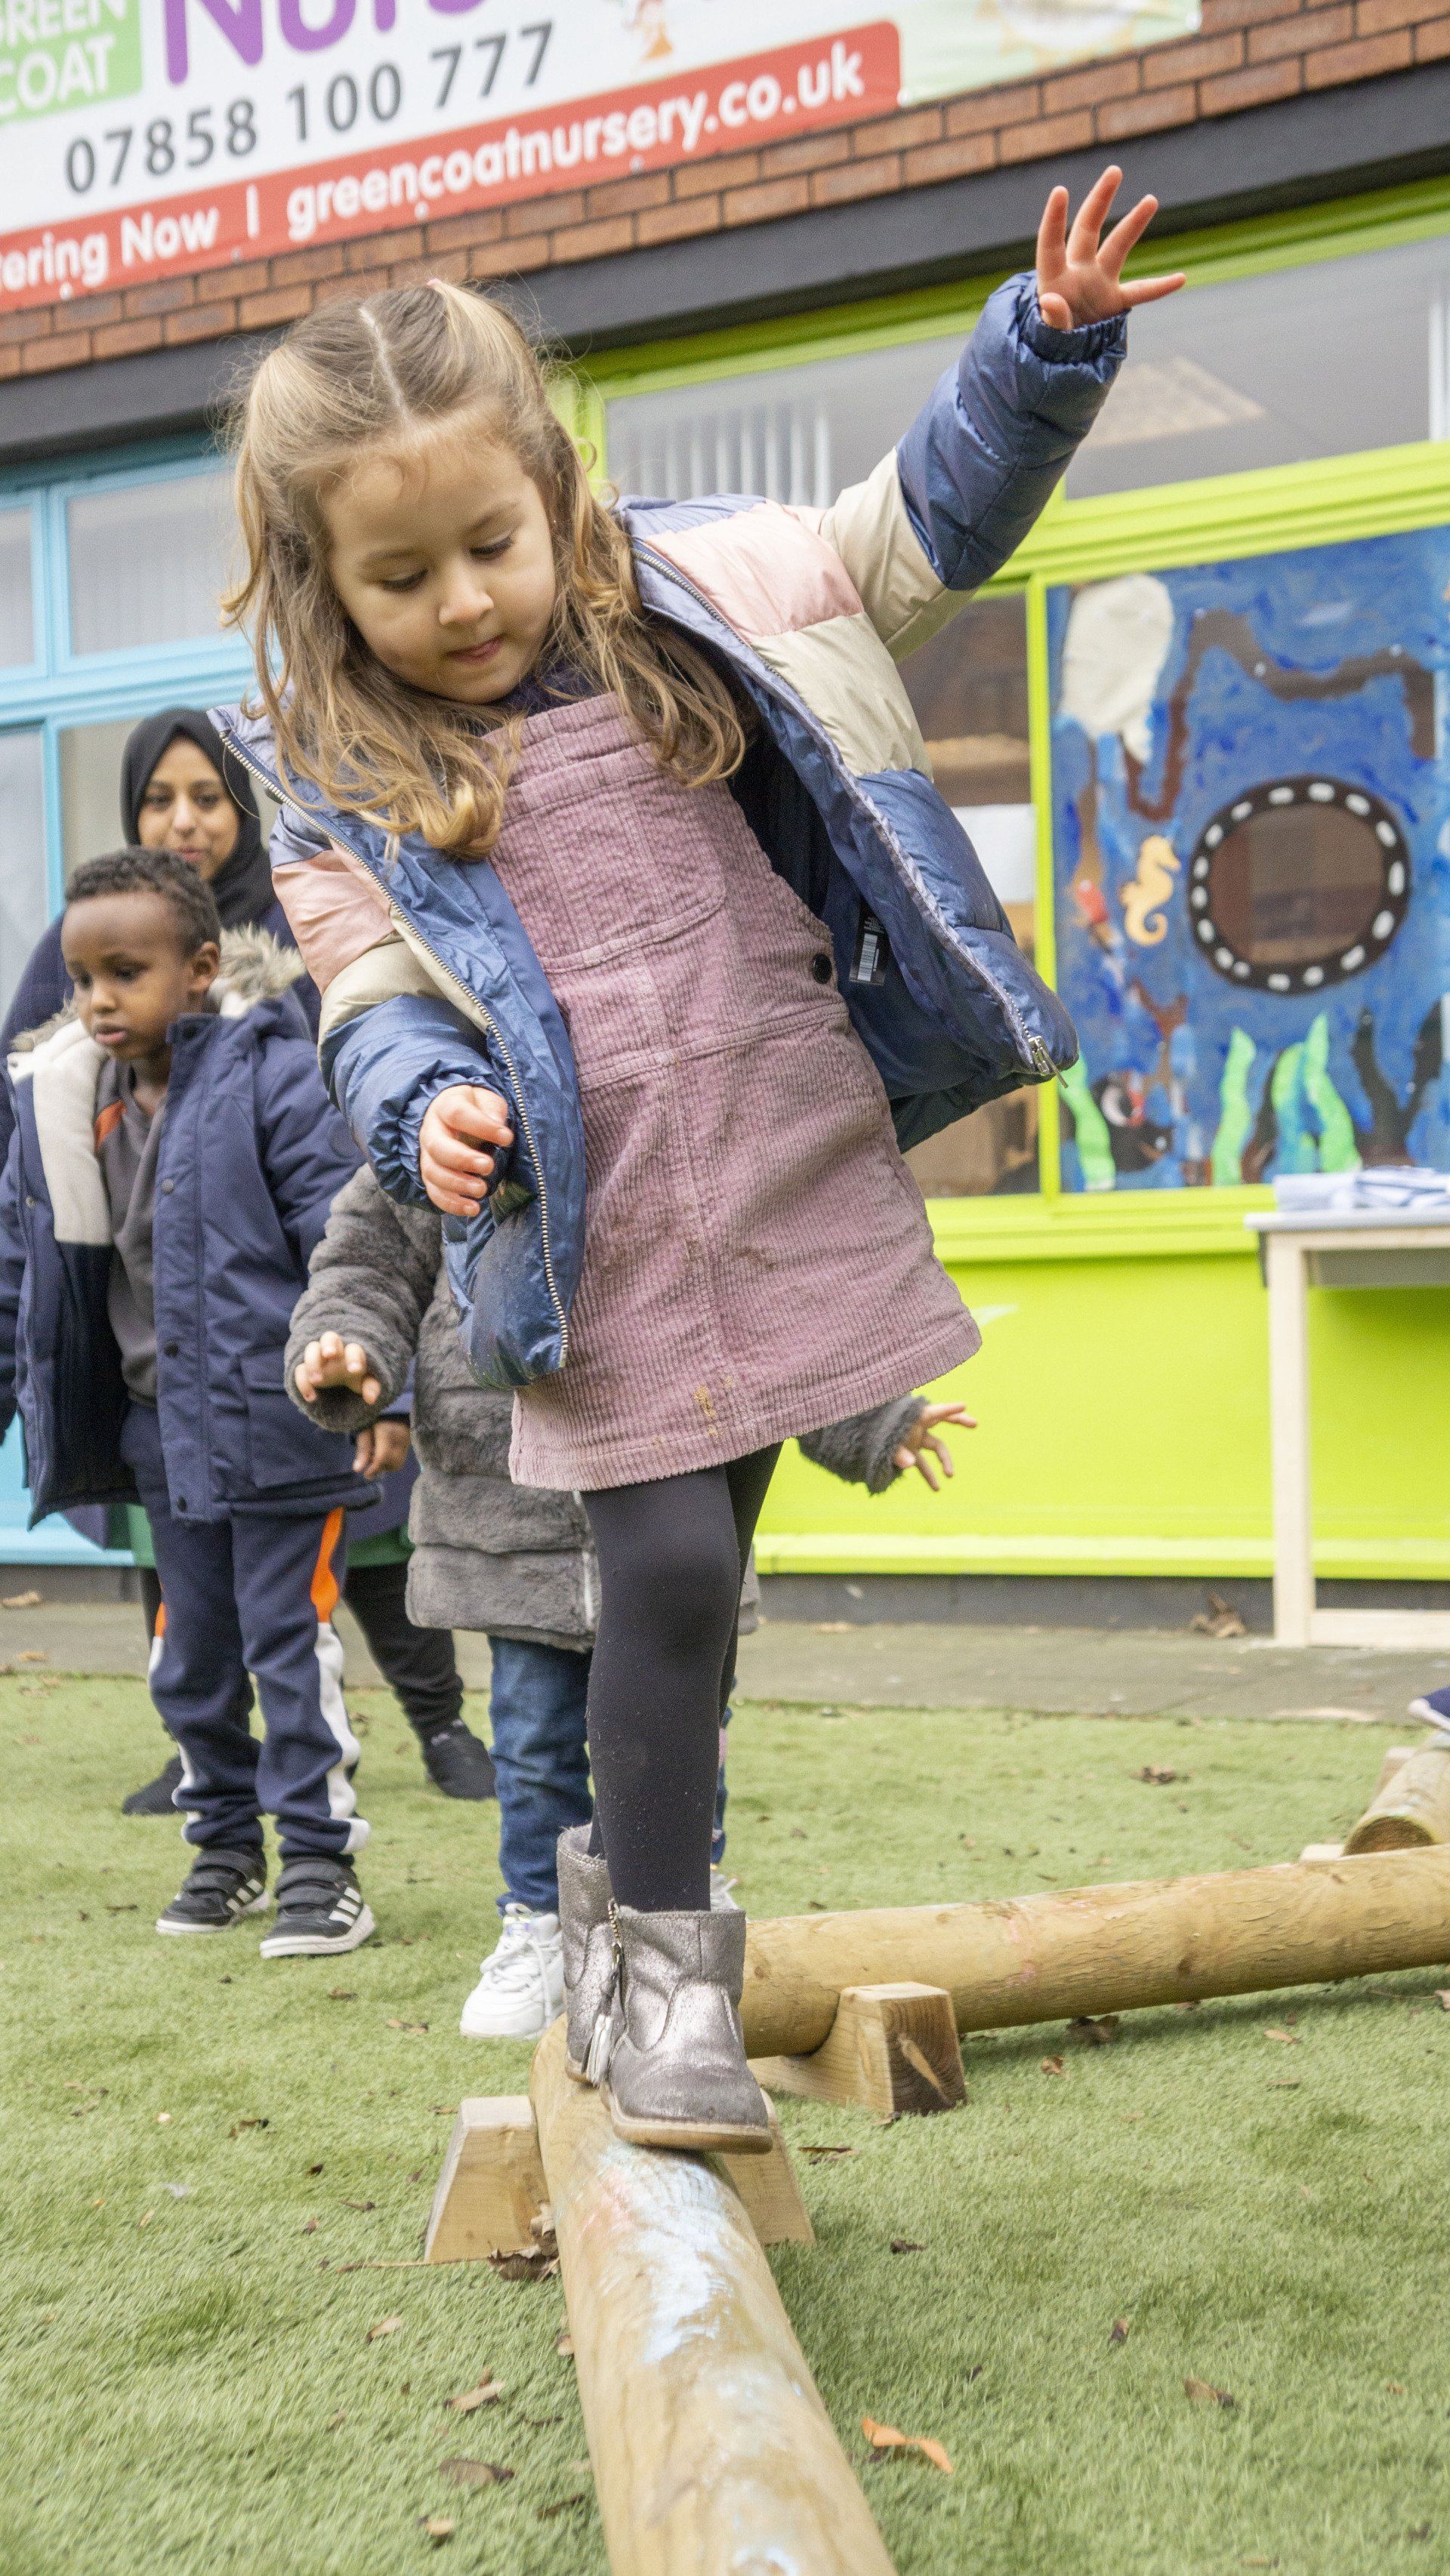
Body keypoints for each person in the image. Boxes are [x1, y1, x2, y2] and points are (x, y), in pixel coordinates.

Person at [216, 168, 1182, 2146]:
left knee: (701, 1587)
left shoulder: (717, 585)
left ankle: (619, 1930)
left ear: (552, 489)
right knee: (657, 1571)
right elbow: (370, 997)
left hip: (781, 1153)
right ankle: (661, 1987)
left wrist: (1044, 350)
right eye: (403, 580)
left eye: (489, 541)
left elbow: (920, 534)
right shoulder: (340, 779)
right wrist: (425, 1105)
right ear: (327, 582)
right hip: (603, 1219)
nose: (463, 602)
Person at [282, 1162, 968, 2036]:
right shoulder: (453, 1104)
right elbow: (370, 1258)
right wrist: (345, 1344)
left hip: (681, 1462)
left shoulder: (672, 1113)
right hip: (509, 1501)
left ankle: (684, 1902)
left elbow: (760, 1297)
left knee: (687, 1721)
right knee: (534, 1742)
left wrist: (871, 1421)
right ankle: (541, 1925)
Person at [0, 704, 485, 1816]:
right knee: (181, 1559)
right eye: (158, 799)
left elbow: (349, 1131)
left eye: (206, 796)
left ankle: (437, 1723)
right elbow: (27, 1133)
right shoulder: (80, 953)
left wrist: (377, 1327)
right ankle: (203, 1760)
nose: (183, 819)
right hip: (158, 1347)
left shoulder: (304, 921)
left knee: (359, 1527)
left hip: (307, 1310)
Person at [0, 847, 381, 1956]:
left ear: (203, 967)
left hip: (284, 1428)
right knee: (190, 1657)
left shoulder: (273, 1072)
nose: (98, 1000)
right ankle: (225, 1850)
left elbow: (342, 1230)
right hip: (161, 1440)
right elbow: (20, 1278)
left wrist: (375, 1379)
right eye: (81, 978)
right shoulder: (64, 1103)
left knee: (285, 1642)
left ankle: (319, 1863)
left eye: (125, 971)